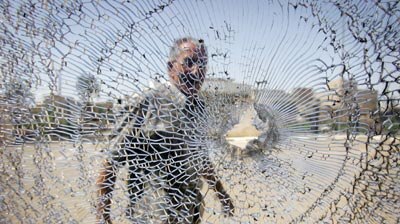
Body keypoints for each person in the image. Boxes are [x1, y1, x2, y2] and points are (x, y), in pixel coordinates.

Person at [96, 37, 234, 224]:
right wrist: (103, 217)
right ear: (171, 67)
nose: (197, 70)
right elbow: (111, 163)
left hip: (190, 212)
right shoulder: (147, 103)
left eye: (202, 65)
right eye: (189, 62)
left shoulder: (199, 108)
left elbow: (200, 158)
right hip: (152, 216)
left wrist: (222, 193)